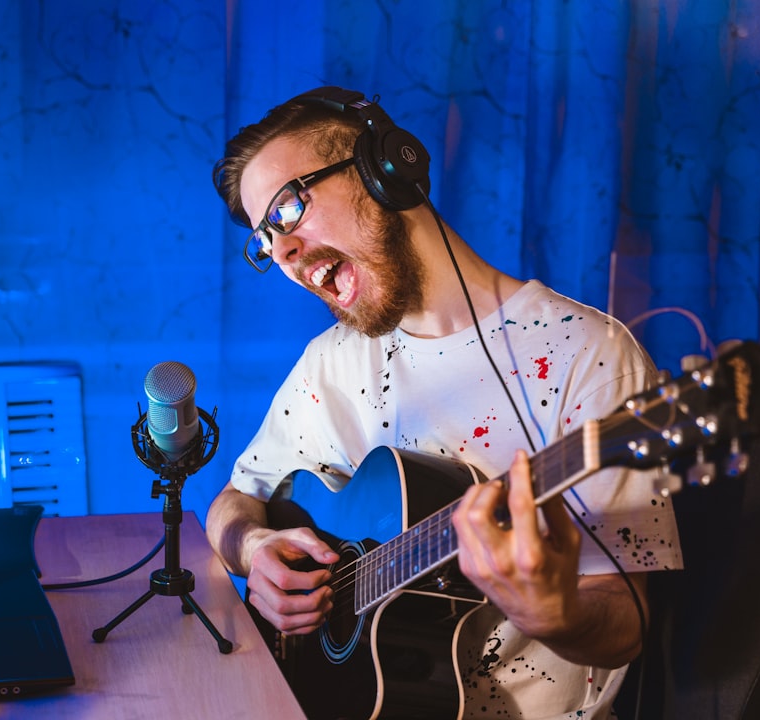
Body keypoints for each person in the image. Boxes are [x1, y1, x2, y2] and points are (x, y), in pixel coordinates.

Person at [204, 86, 682, 719]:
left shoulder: (588, 357)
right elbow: (233, 503)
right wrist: (254, 551)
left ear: (385, 169)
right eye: (266, 239)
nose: (284, 254)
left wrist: (554, 612)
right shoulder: (333, 362)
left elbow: (626, 623)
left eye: (289, 209)